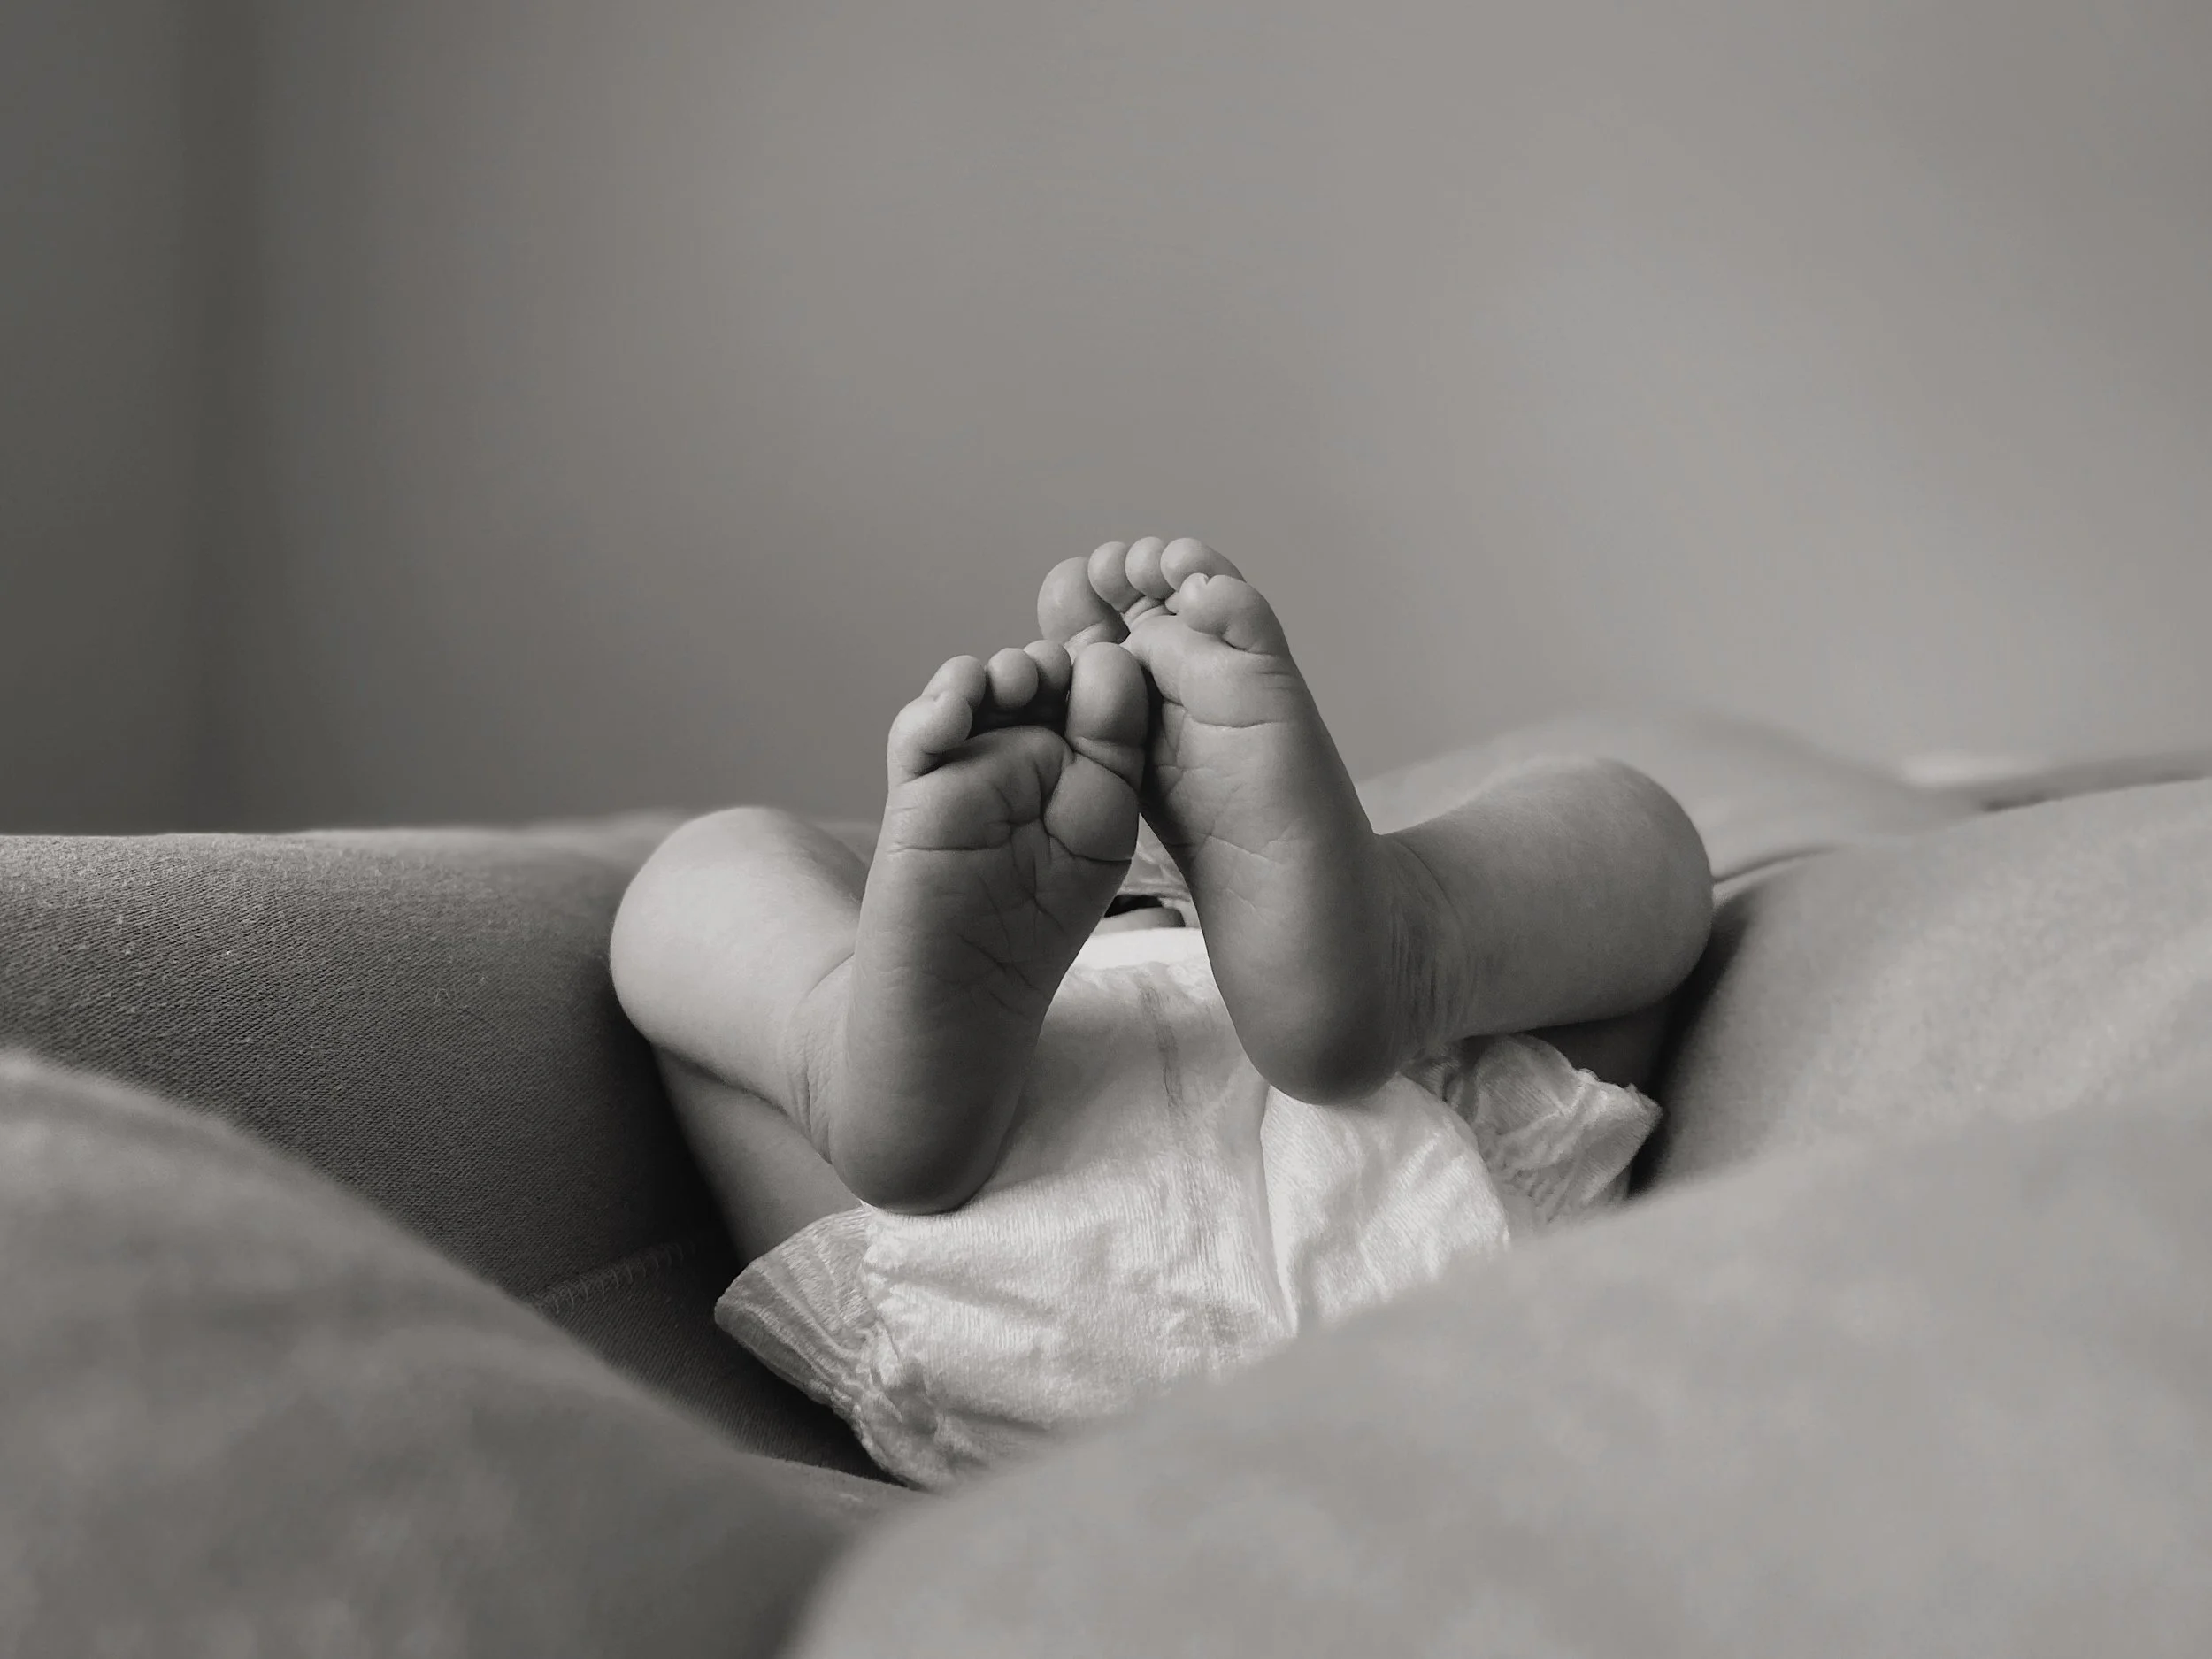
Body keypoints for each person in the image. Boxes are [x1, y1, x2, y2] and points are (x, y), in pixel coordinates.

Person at [611, 536, 1713, 1486]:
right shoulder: (1313, 960)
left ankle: (832, 1042)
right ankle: (1419, 932)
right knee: (1629, 828)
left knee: (703, 875)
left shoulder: (960, 987)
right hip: (1429, 1187)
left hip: (986, 1288)